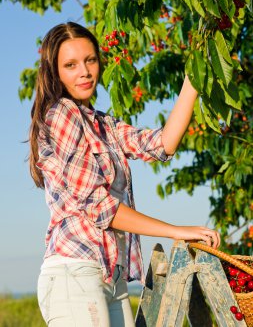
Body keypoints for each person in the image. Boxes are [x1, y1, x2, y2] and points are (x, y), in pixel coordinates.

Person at [29, 22, 220, 327]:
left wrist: (192, 78)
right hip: (75, 274)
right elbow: (101, 208)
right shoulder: (60, 115)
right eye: (71, 64)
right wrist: (176, 230)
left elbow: (162, 144)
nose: (85, 72)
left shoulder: (103, 124)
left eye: (90, 60)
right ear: (55, 71)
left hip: (110, 276)